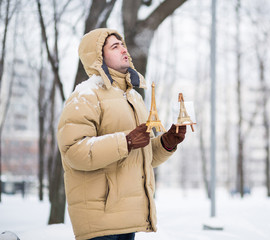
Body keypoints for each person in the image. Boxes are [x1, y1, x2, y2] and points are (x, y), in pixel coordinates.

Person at [57, 28, 187, 240]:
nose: (124, 49)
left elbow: (141, 157)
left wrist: (166, 143)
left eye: (123, 45)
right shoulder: (85, 95)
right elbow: (73, 152)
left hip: (128, 219)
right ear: (98, 56)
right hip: (100, 221)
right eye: (115, 46)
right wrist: (125, 141)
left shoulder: (133, 98)